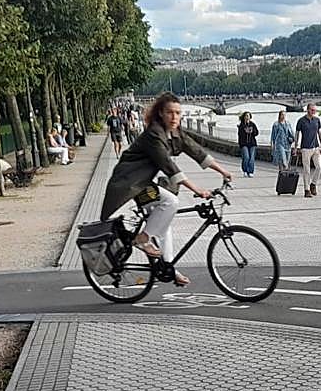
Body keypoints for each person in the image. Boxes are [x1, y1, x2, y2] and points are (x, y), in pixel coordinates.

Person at [100, 91, 233, 287]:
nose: (174, 117)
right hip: (132, 183)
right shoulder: (154, 134)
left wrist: (223, 171)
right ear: (161, 113)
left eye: (178, 113)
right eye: (170, 112)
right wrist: (197, 189)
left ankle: (168, 268)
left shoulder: (175, 133)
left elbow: (197, 151)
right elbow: (169, 167)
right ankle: (142, 239)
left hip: (145, 182)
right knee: (171, 201)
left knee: (164, 223)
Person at [293, 102, 321, 197]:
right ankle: (307, 190)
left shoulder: (317, 120)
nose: (314, 111)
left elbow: (320, 133)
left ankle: (313, 184)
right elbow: (297, 134)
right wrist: (296, 147)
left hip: (316, 147)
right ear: (307, 110)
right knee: (307, 170)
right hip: (305, 148)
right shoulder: (301, 121)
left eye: (315, 110)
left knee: (319, 167)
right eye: (312, 110)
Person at [237, 111, 259, 177]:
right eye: (246, 116)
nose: (247, 117)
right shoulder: (241, 125)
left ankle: (250, 171)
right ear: (244, 117)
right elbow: (240, 135)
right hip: (244, 144)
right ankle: (245, 170)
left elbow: (256, 133)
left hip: (252, 144)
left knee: (251, 158)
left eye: (248, 116)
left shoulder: (252, 124)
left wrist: (252, 131)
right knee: (246, 157)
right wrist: (245, 131)